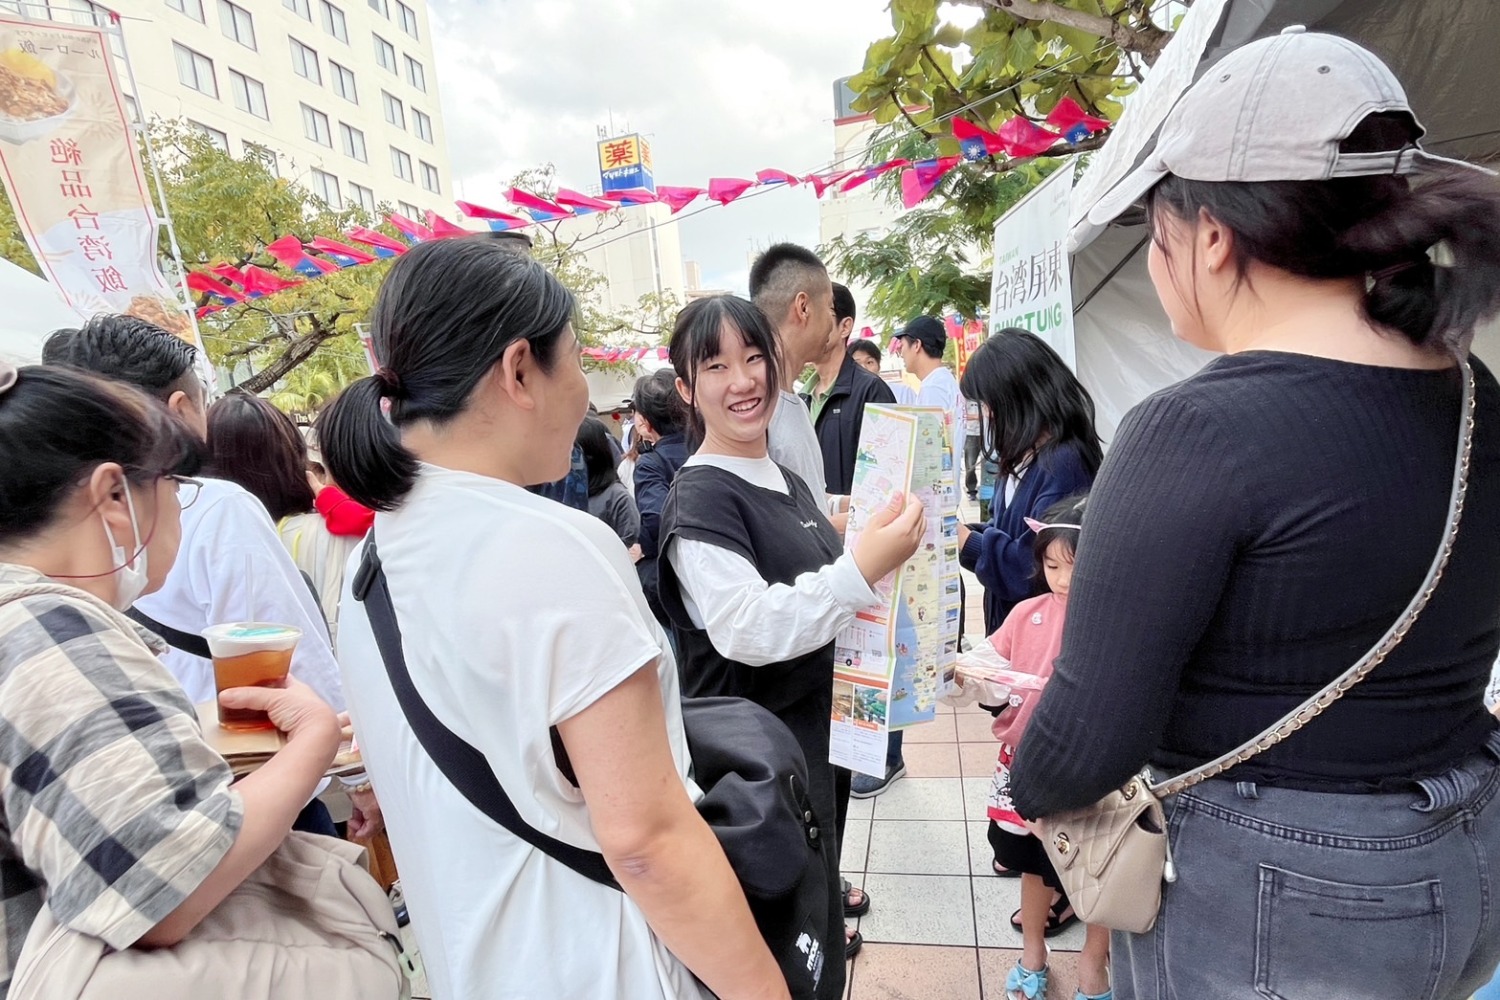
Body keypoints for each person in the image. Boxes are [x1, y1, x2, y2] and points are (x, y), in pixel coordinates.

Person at [1011, 32, 1500, 999]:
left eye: (1156, 235)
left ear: (1213, 238)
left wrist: (1024, 739)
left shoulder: (1191, 430)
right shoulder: (1478, 393)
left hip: (1278, 896)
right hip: (1466, 849)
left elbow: (1076, 753)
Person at [319, 237, 787, 1000]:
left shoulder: (372, 560)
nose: (583, 391)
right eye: (573, 359)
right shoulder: (550, 548)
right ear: (517, 372)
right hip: (605, 964)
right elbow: (647, 840)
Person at [0, 362, 341, 995]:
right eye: (175, 488)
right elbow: (165, 890)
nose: (181, 512)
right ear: (113, 496)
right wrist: (314, 743)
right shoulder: (49, 627)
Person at [654, 294, 926, 978]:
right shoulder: (701, 496)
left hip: (812, 752)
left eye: (754, 359)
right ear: (686, 388)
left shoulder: (778, 475)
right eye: (715, 366)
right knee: (780, 956)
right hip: (757, 777)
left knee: (816, 931)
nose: (742, 381)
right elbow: (749, 626)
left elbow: (825, 580)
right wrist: (862, 568)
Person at [41, 317, 344, 712]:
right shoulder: (217, 505)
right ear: (180, 410)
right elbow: (281, 647)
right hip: (248, 746)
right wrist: (334, 742)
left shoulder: (56, 513)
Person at [959, 495, 1110, 1000]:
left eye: (1074, 566)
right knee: (1033, 867)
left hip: (1096, 769)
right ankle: (1032, 958)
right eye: (1051, 566)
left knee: (1099, 873)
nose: (1062, 580)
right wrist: (965, 674)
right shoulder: (1026, 614)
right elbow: (988, 668)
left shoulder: (1114, 620)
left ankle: (1094, 968)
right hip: (1029, 764)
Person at [854, 316, 973, 799]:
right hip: (932, 514)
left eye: (901, 344)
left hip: (924, 515)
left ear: (917, 345)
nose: (898, 352)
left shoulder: (934, 392)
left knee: (903, 635)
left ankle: (888, 756)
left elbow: (926, 458)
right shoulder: (938, 387)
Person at [957, 332, 1102, 635]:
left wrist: (965, 540)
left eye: (988, 403)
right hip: (1016, 633)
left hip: (1042, 643)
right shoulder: (1021, 456)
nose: (987, 414)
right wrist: (967, 533)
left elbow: (1032, 567)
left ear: (1017, 397)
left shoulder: (1064, 463)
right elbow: (1007, 530)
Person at [747, 243, 841, 508]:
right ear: (803, 307)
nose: (831, 323)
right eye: (830, 308)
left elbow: (810, 507)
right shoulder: (754, 412)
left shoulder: (796, 402)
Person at [798, 283, 898, 495]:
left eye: (817, 317)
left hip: (857, 526)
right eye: (804, 317)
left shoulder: (872, 391)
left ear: (845, 327)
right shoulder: (800, 398)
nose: (806, 327)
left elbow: (888, 480)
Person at [632, 368, 691, 628]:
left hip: (673, 577)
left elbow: (657, 518)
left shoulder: (650, 464)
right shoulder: (708, 445)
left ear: (645, 421)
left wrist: (644, 546)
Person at [577, 413, 641, 551]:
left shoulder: (616, 498)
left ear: (590, 456)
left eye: (574, 453)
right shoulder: (564, 493)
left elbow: (631, 547)